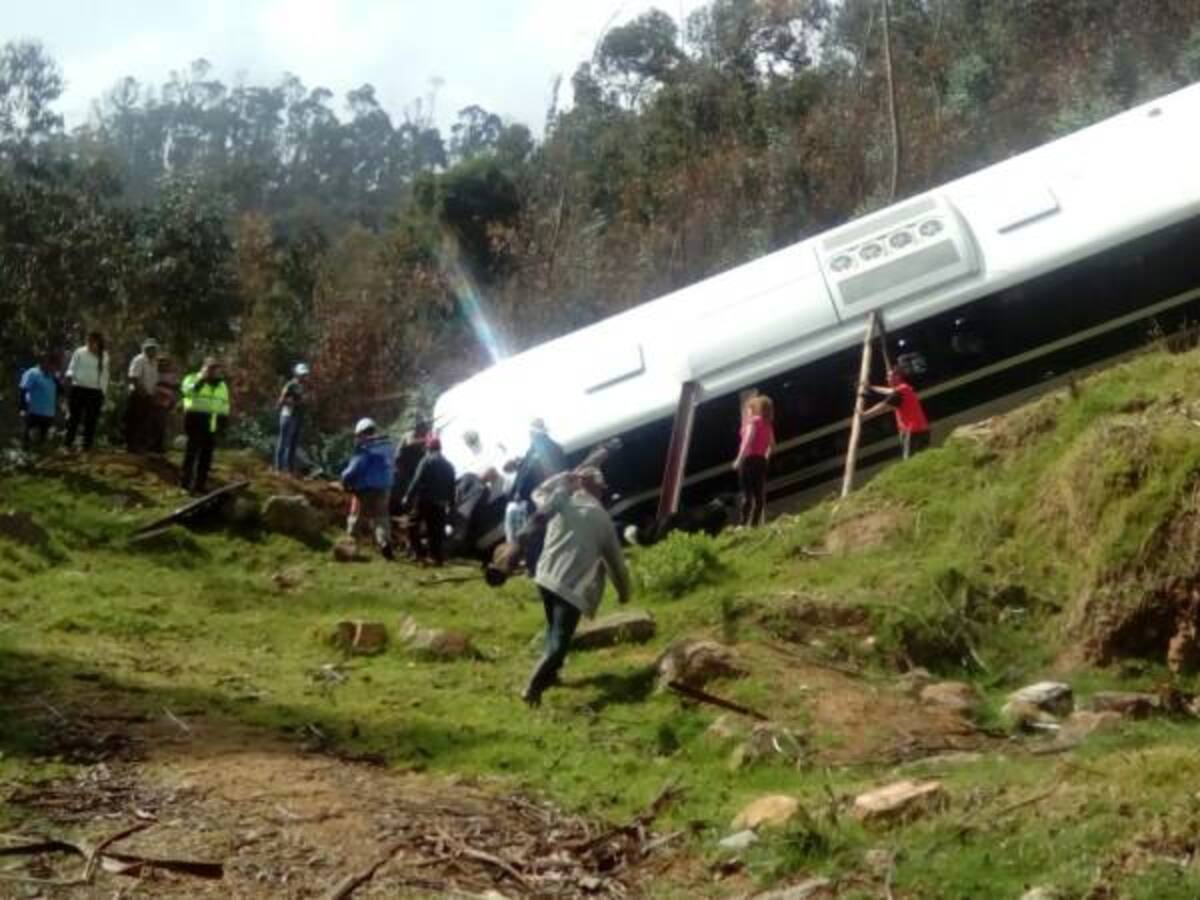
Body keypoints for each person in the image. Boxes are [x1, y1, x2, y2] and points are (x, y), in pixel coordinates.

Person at [519, 467, 632, 707]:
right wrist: (624, 593)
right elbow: (616, 565)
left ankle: (551, 675)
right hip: (570, 588)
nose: (602, 493)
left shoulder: (559, 501)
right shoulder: (601, 518)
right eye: (601, 489)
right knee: (560, 640)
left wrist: (562, 479)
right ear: (595, 489)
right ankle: (533, 687)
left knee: (553, 630)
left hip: (545, 578)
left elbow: (537, 491)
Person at [509, 418, 570, 572]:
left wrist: (518, 492)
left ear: (533, 433)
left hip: (539, 497)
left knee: (536, 533)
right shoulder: (556, 447)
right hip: (558, 494)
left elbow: (527, 474)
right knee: (558, 531)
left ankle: (535, 567)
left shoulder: (536, 450)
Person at [341, 417, 396, 560]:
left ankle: (350, 548)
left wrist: (344, 478)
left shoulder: (364, 448)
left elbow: (354, 468)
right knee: (381, 518)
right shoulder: (387, 445)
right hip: (384, 487)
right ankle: (385, 543)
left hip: (364, 489)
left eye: (358, 435)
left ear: (361, 433)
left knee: (355, 518)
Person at [180, 358, 231, 494]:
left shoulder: (221, 385)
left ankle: (199, 485)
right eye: (210, 369)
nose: (213, 372)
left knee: (206, 456)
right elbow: (187, 392)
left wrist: (223, 424)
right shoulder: (191, 378)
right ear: (203, 368)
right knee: (191, 454)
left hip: (211, 422)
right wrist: (202, 380)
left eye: (216, 370)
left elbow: (225, 404)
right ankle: (185, 485)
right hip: (194, 419)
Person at [403, 436, 457, 566]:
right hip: (441, 504)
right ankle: (437, 558)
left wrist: (407, 497)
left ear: (428, 448)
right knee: (436, 532)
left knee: (412, 526)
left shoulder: (426, 460)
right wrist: (451, 504)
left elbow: (416, 480)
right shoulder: (450, 466)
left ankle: (420, 554)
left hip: (425, 501)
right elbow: (452, 488)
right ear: (440, 448)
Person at [863, 366, 931, 459]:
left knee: (909, 461)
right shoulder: (906, 388)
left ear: (897, 376)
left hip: (912, 432)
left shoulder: (899, 392)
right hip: (923, 430)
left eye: (889, 376)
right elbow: (887, 391)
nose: (887, 379)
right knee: (924, 459)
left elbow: (882, 406)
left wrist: (865, 414)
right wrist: (871, 387)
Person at [732, 394, 775, 527]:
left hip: (748, 459)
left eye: (750, 409)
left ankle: (743, 525)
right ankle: (754, 526)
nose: (747, 412)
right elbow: (772, 444)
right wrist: (765, 457)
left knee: (747, 495)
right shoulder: (768, 425)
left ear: (756, 409)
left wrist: (739, 459)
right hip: (760, 461)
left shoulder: (754, 422)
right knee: (759, 497)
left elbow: (748, 439)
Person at [64, 331, 109, 451]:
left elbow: (105, 375)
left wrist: (103, 392)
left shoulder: (104, 355)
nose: (90, 343)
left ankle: (86, 447)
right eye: (88, 340)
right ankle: (67, 444)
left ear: (98, 342)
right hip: (78, 388)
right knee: (74, 418)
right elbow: (72, 367)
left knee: (91, 420)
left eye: (93, 341)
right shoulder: (80, 352)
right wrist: (69, 376)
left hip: (95, 391)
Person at [18, 352, 60, 451]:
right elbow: (23, 390)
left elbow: (60, 391)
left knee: (42, 441)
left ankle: (39, 457)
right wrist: (22, 408)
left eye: (55, 366)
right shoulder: (32, 373)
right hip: (33, 412)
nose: (54, 368)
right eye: (52, 365)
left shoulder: (53, 377)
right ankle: (25, 457)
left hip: (48, 414)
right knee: (28, 438)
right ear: (45, 363)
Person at [390, 417, 430, 516]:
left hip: (411, 471)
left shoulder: (422, 440)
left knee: (411, 491)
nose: (425, 431)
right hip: (400, 468)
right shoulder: (410, 435)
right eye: (423, 429)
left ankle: (406, 511)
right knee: (397, 491)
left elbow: (424, 454)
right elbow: (410, 442)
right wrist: (426, 440)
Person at [275, 363, 310, 473]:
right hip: (288, 416)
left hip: (298, 417)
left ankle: (289, 470)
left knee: (293, 444)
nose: (304, 377)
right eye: (302, 374)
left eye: (305, 375)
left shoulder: (304, 387)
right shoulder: (290, 385)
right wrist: (296, 402)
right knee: (283, 442)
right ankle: (279, 469)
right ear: (296, 374)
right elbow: (281, 401)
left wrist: (305, 402)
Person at [125, 339, 159, 453]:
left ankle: (140, 446)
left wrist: (152, 394)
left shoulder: (154, 362)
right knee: (135, 421)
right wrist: (142, 392)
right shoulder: (139, 359)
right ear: (145, 349)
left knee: (144, 422)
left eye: (154, 348)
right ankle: (131, 446)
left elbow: (154, 380)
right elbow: (133, 378)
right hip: (137, 395)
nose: (152, 351)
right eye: (149, 348)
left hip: (148, 395)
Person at [150, 356, 180, 454]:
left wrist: (173, 402)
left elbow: (174, 390)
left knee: (162, 425)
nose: (164, 365)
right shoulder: (153, 373)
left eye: (166, 363)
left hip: (165, 404)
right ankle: (152, 446)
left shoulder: (172, 376)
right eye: (161, 363)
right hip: (154, 403)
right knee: (154, 425)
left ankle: (159, 447)